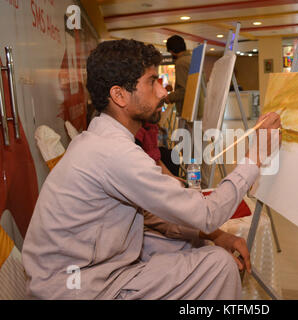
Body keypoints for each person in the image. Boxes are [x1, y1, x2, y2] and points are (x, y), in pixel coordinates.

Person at [22, 39, 281, 300]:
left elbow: (151, 214)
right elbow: (206, 214)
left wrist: (215, 235)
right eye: (151, 82)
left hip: (84, 272)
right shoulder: (114, 152)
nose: (162, 92)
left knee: (193, 242)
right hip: (75, 287)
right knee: (219, 264)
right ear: (119, 95)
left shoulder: (103, 141)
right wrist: (255, 156)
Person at [164, 35, 191, 117]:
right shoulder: (192, 59)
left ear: (172, 51)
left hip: (187, 109)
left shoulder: (181, 63)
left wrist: (169, 97)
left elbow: (184, 90)